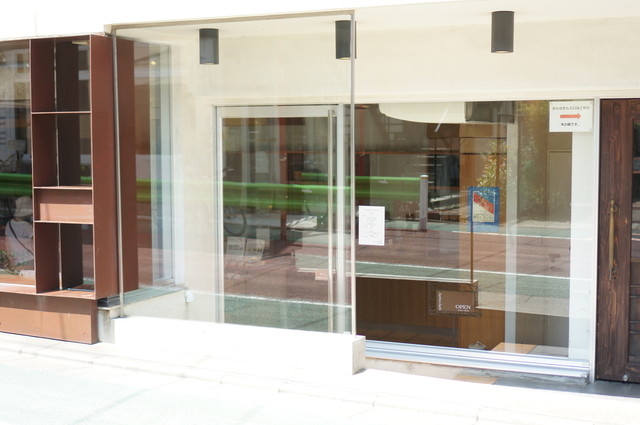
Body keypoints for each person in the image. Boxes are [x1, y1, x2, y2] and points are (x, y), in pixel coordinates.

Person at [5, 196, 33, 267]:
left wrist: (9, 257)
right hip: (28, 259)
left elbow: (7, 243)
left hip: (15, 261)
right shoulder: (27, 226)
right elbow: (35, 243)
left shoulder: (9, 224)